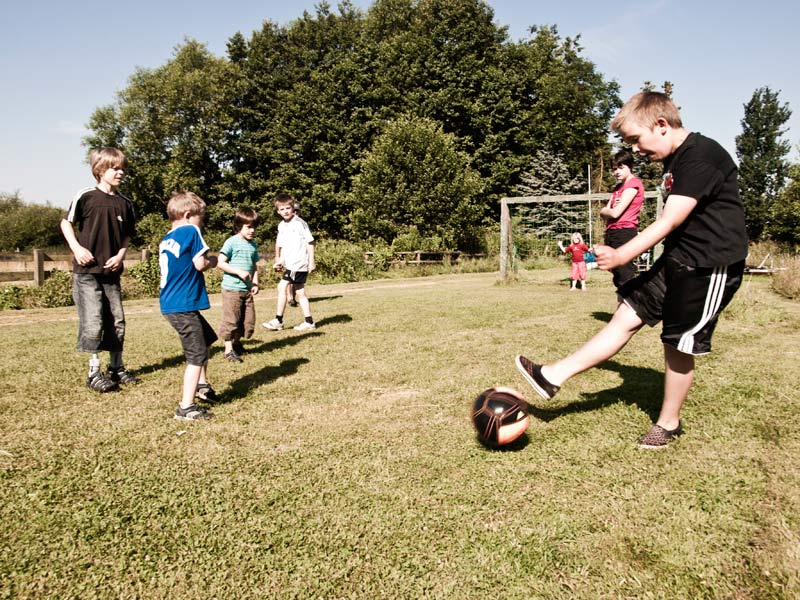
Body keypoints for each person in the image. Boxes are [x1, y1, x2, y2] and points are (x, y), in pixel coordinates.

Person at [516, 91, 748, 449]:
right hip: (679, 257)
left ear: (661, 125)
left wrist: (623, 254)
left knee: (678, 344)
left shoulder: (700, 157)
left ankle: (668, 424)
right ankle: (552, 376)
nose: (636, 150)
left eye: (635, 140)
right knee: (627, 314)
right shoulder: (674, 157)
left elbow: (670, 220)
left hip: (709, 266)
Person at [60, 147, 139, 392]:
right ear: (100, 170)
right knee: (93, 321)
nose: (120, 172)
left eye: (122, 168)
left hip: (111, 274)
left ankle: (117, 368)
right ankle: (94, 372)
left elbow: (127, 236)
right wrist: (77, 249)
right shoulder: (85, 196)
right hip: (86, 273)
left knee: (117, 321)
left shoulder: (125, 203)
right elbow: (66, 223)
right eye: (115, 168)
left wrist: (120, 255)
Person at [159, 191, 221, 421]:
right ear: (188, 215)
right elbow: (199, 264)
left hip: (171, 303)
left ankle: (202, 386)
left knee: (205, 340)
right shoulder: (191, 230)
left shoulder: (167, 237)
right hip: (183, 304)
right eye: (200, 218)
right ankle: (186, 407)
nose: (201, 223)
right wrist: (214, 261)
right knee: (196, 354)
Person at [262, 193, 316, 332]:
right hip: (290, 263)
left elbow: (310, 242)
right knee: (299, 292)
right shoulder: (281, 225)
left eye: (288, 208)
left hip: (298, 263)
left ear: (293, 208)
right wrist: (279, 261)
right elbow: (284, 245)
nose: (285, 211)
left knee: (283, 287)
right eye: (282, 209)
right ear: (278, 211)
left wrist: (311, 262)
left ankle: (278, 320)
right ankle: (308, 321)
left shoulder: (299, 223)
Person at [217, 207, 261, 363]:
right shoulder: (231, 242)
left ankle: (237, 344)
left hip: (247, 289)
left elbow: (255, 266)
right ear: (238, 226)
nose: (252, 230)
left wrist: (255, 282)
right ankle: (228, 350)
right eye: (248, 227)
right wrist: (238, 272)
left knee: (247, 321)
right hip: (232, 289)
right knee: (231, 319)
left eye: (254, 227)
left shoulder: (253, 245)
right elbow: (220, 262)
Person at [600, 149, 645, 288]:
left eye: (621, 167)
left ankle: (631, 307)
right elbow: (604, 211)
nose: (617, 172)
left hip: (624, 231)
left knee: (624, 274)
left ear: (629, 166)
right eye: (614, 169)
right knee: (617, 274)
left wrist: (608, 210)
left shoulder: (633, 184)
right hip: (612, 231)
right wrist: (607, 210)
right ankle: (624, 307)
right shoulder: (618, 187)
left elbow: (615, 213)